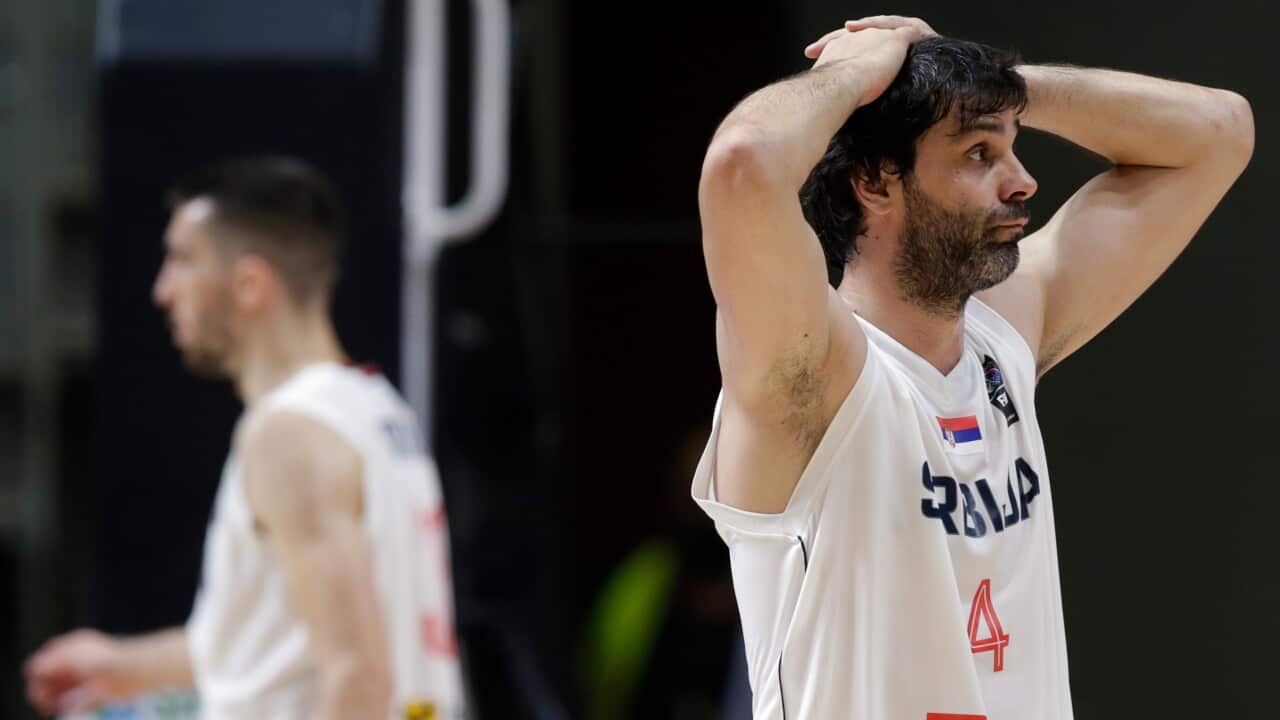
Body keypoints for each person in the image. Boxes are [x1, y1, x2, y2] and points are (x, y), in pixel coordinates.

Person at [691, 14, 1252, 719]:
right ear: (875, 181)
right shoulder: (811, 373)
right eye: (979, 153)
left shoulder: (1004, 335)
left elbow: (1218, 132)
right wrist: (863, 72)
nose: (1022, 181)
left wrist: (994, 87)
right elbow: (743, 161)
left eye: (1009, 147)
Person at [24, 157, 467, 720]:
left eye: (183, 260)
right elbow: (272, 651)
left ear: (250, 284)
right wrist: (121, 664)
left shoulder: (289, 435)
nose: (163, 290)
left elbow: (359, 674)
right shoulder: (375, 410)